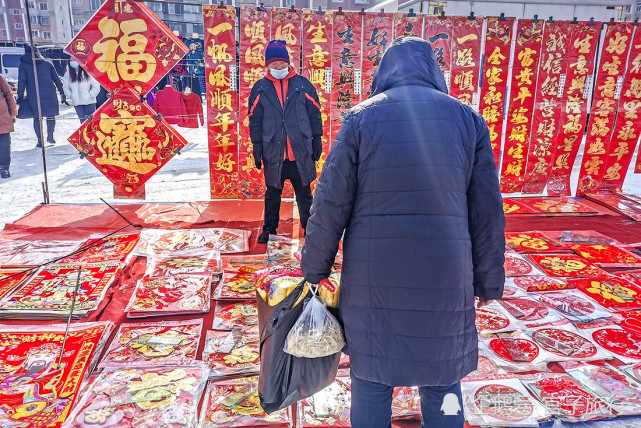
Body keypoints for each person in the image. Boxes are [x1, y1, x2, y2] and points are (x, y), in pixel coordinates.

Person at [300, 37, 505, 428]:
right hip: (445, 278)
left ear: (384, 73)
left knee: (371, 380)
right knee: (443, 380)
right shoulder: (468, 120)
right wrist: (489, 281)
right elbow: (487, 213)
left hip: (375, 279)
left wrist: (314, 270)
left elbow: (330, 204)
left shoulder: (361, 119)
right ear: (434, 72)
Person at [248, 39, 323, 244]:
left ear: (288, 63)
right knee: (272, 193)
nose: (278, 67)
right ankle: (269, 228)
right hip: (274, 151)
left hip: (300, 149)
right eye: (274, 64)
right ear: (267, 65)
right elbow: (254, 119)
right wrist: (257, 145)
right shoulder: (260, 88)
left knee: (305, 194)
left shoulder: (302, 84)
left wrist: (317, 138)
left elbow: (315, 113)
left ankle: (310, 228)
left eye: (282, 63)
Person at [18, 45, 66, 148]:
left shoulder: (23, 65)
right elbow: (56, 79)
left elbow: (21, 81)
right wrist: (62, 92)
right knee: (50, 115)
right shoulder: (47, 63)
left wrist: (20, 96)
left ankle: (40, 141)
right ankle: (50, 136)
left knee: (37, 118)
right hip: (50, 94)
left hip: (33, 95)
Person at [0, 74, 18, 178]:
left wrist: (13, 112)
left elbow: (8, 94)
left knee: (4, 144)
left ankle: (4, 167)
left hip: (2, 116)